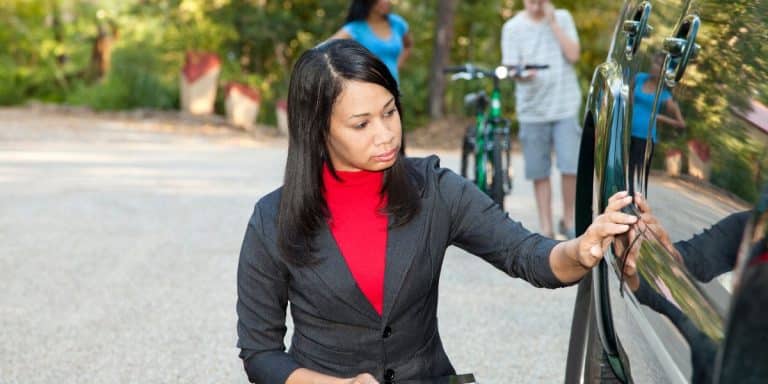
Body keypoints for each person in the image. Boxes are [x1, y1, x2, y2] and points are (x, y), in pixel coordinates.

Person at [236, 39, 637, 384]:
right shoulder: (273, 218)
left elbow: (528, 255)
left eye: (390, 111)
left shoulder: (435, 190)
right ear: (317, 131)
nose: (386, 133)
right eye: (361, 124)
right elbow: (260, 353)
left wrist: (581, 250)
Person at [500, 0, 582, 239]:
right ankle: (545, 229)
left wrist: (553, 23)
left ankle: (568, 221)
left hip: (564, 106)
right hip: (532, 110)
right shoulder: (512, 27)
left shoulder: (563, 17)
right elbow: (510, 68)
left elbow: (574, 55)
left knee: (570, 165)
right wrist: (522, 73)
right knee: (539, 170)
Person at [628, 53, 686, 188]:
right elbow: (628, 93)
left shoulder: (664, 93)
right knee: (620, 171)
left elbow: (680, 123)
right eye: (655, 63)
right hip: (627, 131)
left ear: (665, 72)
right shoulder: (640, 78)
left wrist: (659, 117)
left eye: (660, 66)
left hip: (644, 138)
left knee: (634, 178)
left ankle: (632, 203)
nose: (655, 67)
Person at [331, 0, 412, 83]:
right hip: (366, 87)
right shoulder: (355, 28)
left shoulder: (397, 23)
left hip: (392, 87)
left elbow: (408, 46)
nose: (387, 1)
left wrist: (396, 67)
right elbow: (325, 51)